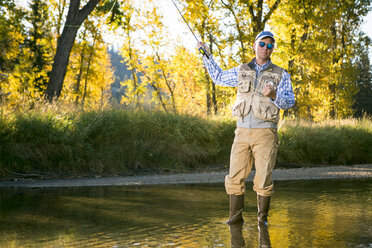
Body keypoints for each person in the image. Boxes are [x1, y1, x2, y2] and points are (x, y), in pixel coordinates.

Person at [197, 31, 295, 226]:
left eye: (269, 45)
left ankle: (262, 222)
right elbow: (217, 77)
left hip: (266, 133)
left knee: (263, 178)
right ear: (254, 45)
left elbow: (289, 102)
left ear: (272, 49)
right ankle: (235, 220)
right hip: (241, 132)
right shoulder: (241, 70)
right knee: (234, 176)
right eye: (262, 44)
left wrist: (274, 95)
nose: (265, 48)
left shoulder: (281, 74)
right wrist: (205, 55)